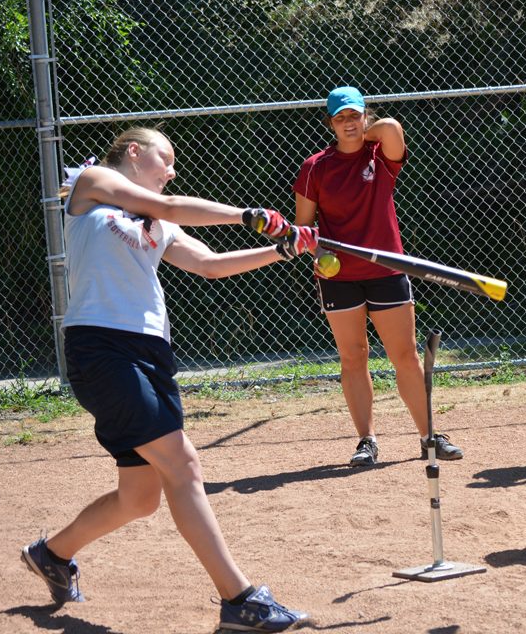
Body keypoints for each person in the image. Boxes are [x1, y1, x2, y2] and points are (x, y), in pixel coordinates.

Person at [20, 127, 317, 632]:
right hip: (102, 348)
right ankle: (240, 600)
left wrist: (282, 251)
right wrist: (247, 215)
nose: (172, 169)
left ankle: (51, 554)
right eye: (167, 158)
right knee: (183, 465)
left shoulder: (159, 220)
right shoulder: (94, 183)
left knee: (140, 497)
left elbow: (209, 265)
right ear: (133, 152)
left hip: (150, 352)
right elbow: (177, 204)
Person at [292, 86, 463, 466]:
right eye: (340, 118)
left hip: (388, 268)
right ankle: (366, 441)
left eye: (354, 115)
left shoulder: (380, 156)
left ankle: (428, 436)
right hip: (339, 276)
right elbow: (304, 228)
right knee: (354, 357)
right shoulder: (315, 167)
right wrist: (318, 253)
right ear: (329, 124)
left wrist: (359, 133)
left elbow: (393, 129)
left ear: (366, 115)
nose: (349, 123)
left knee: (404, 354)